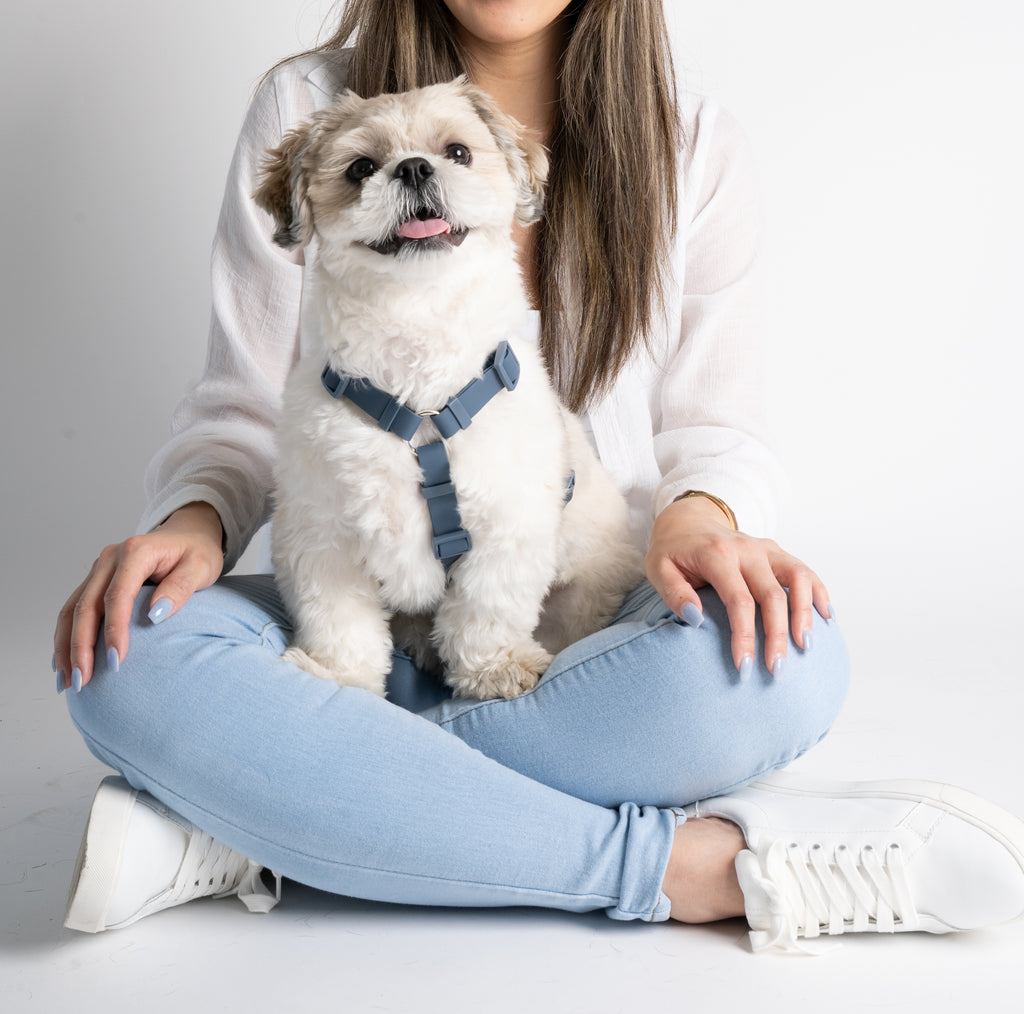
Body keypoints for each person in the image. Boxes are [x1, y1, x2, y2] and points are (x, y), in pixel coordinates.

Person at [53, 0, 1024, 952]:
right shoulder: (306, 102)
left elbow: (714, 428)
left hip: (577, 622)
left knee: (785, 661)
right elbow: (247, 400)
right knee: (126, 658)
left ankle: (261, 817)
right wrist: (192, 520)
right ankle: (692, 872)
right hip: (360, 606)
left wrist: (699, 518)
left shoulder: (689, 138)